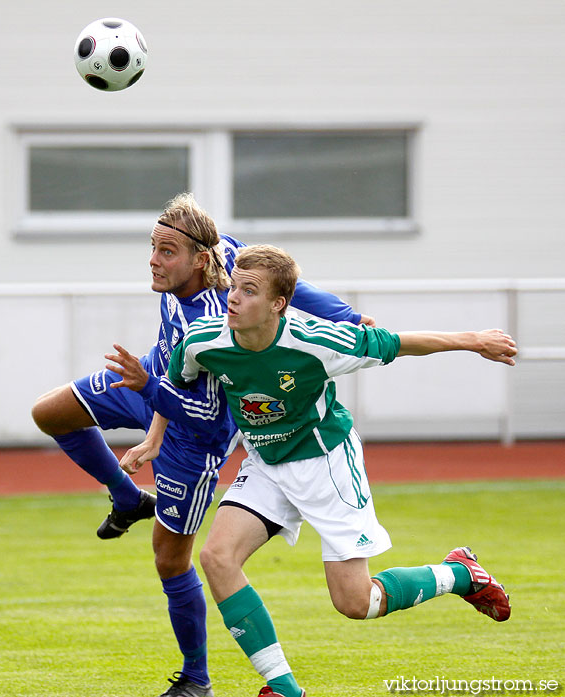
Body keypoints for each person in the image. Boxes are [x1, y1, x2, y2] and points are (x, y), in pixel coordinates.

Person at [111, 244, 516, 697]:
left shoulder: (317, 341)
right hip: (266, 465)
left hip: (326, 465)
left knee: (356, 603)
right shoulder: (205, 339)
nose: (234, 299)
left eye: (249, 291)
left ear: (278, 304)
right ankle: (282, 687)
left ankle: (459, 573)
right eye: (233, 287)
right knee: (217, 558)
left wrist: (475, 340)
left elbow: (401, 343)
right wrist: (154, 437)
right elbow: (175, 384)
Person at [31, 195, 374, 697]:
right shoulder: (224, 251)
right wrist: (349, 313)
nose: (153, 259)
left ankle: (196, 679)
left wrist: (148, 390)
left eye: (166, 251)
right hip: (152, 381)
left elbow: (206, 416)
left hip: (193, 434)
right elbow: (296, 286)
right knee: (49, 412)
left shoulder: (216, 325)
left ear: (198, 259)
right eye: (153, 246)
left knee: (170, 561)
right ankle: (127, 497)